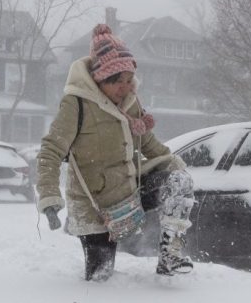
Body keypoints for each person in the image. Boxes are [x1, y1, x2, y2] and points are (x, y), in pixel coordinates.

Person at [36, 24, 195, 281]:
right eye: (117, 81)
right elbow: (50, 151)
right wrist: (50, 197)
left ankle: (170, 255)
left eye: (128, 79)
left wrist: (177, 165)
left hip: (130, 190)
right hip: (95, 205)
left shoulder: (130, 102)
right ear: (100, 79)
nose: (125, 87)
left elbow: (148, 143)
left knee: (178, 181)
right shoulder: (76, 103)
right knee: (101, 278)